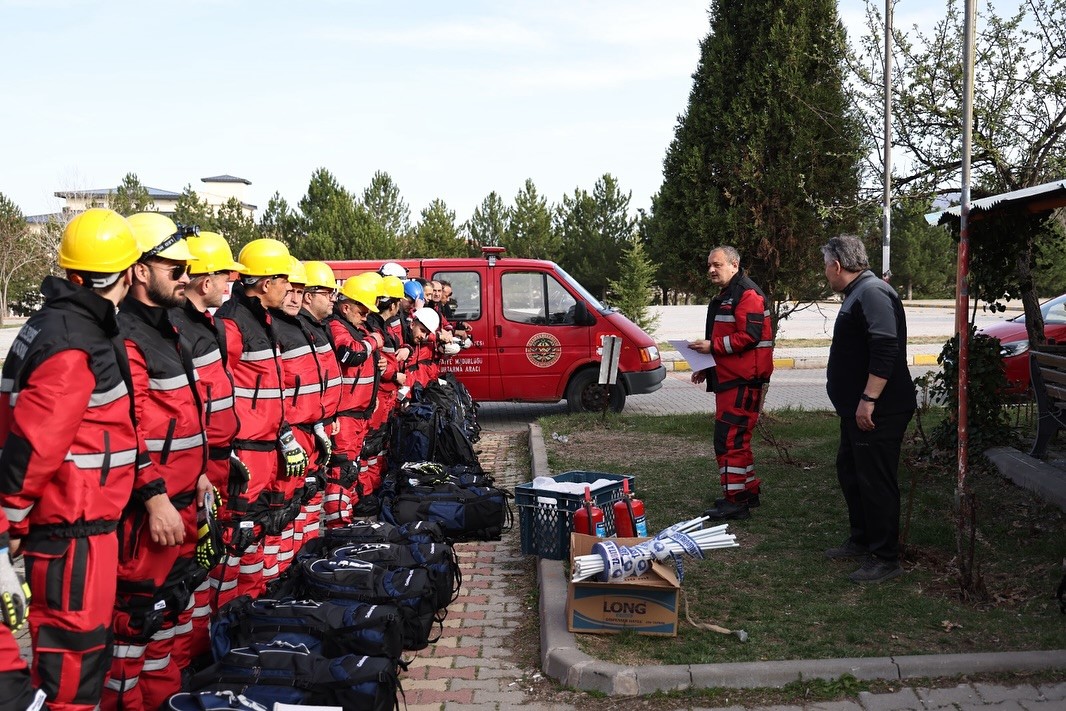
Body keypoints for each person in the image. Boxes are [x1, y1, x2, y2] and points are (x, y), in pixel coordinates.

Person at [0, 208, 142, 711]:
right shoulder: (75, 339)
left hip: (75, 527)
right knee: (73, 664)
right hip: (72, 532)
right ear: (128, 272)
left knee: (79, 658)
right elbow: (37, 443)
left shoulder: (55, 325)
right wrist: (12, 518)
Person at [105, 213, 210, 711]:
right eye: (176, 269)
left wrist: (202, 472)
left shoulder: (166, 328)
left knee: (169, 616)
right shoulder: (126, 336)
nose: (186, 277)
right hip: (150, 514)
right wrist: (154, 499)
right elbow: (128, 431)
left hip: (182, 501)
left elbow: (180, 417)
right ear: (140, 271)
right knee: (136, 628)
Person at [168, 230, 244, 659]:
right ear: (205, 279)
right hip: (193, 470)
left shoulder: (207, 326)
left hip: (214, 461)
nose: (230, 283)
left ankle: (208, 645)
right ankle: (191, 658)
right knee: (192, 567)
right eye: (225, 276)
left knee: (211, 555)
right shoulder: (178, 329)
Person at [822, 235, 916, 584]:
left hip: (879, 409)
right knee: (852, 472)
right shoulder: (858, 291)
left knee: (876, 481)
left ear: (837, 265)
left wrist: (868, 399)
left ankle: (885, 557)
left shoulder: (872, 292)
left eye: (825, 266)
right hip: (858, 409)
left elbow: (886, 348)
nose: (825, 273)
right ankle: (862, 539)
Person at [215, 238, 305, 597]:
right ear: (267, 283)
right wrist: (227, 448)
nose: (289, 288)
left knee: (262, 527)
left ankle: (255, 601)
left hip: (267, 444)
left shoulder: (262, 320)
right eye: (285, 280)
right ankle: (225, 616)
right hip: (245, 450)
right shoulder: (232, 323)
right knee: (237, 535)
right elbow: (215, 390)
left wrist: (284, 432)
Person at [690, 246, 774, 521]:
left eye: (717, 264)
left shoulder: (746, 294)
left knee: (728, 441)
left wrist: (711, 347)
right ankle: (747, 492)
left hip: (741, 381)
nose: (711, 270)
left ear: (735, 265)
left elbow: (749, 336)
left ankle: (735, 501)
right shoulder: (730, 293)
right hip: (733, 379)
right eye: (709, 265)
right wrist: (707, 367)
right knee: (736, 440)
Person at [324, 274, 382, 527]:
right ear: (346, 306)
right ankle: (338, 526)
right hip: (345, 414)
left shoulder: (357, 328)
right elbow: (351, 353)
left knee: (352, 468)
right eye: (362, 310)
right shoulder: (337, 326)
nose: (366, 316)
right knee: (342, 472)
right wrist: (373, 342)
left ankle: (349, 517)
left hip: (359, 412)